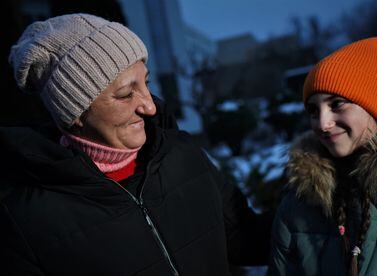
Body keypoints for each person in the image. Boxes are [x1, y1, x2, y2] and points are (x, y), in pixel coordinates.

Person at [0, 13, 272, 275]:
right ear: (74, 113)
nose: (150, 106)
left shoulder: (182, 154)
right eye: (126, 94)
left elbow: (248, 240)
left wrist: (308, 204)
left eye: (146, 83)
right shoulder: (24, 217)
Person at [268, 37, 377, 276]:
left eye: (337, 104)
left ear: (375, 108)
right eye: (313, 110)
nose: (322, 123)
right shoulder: (296, 207)